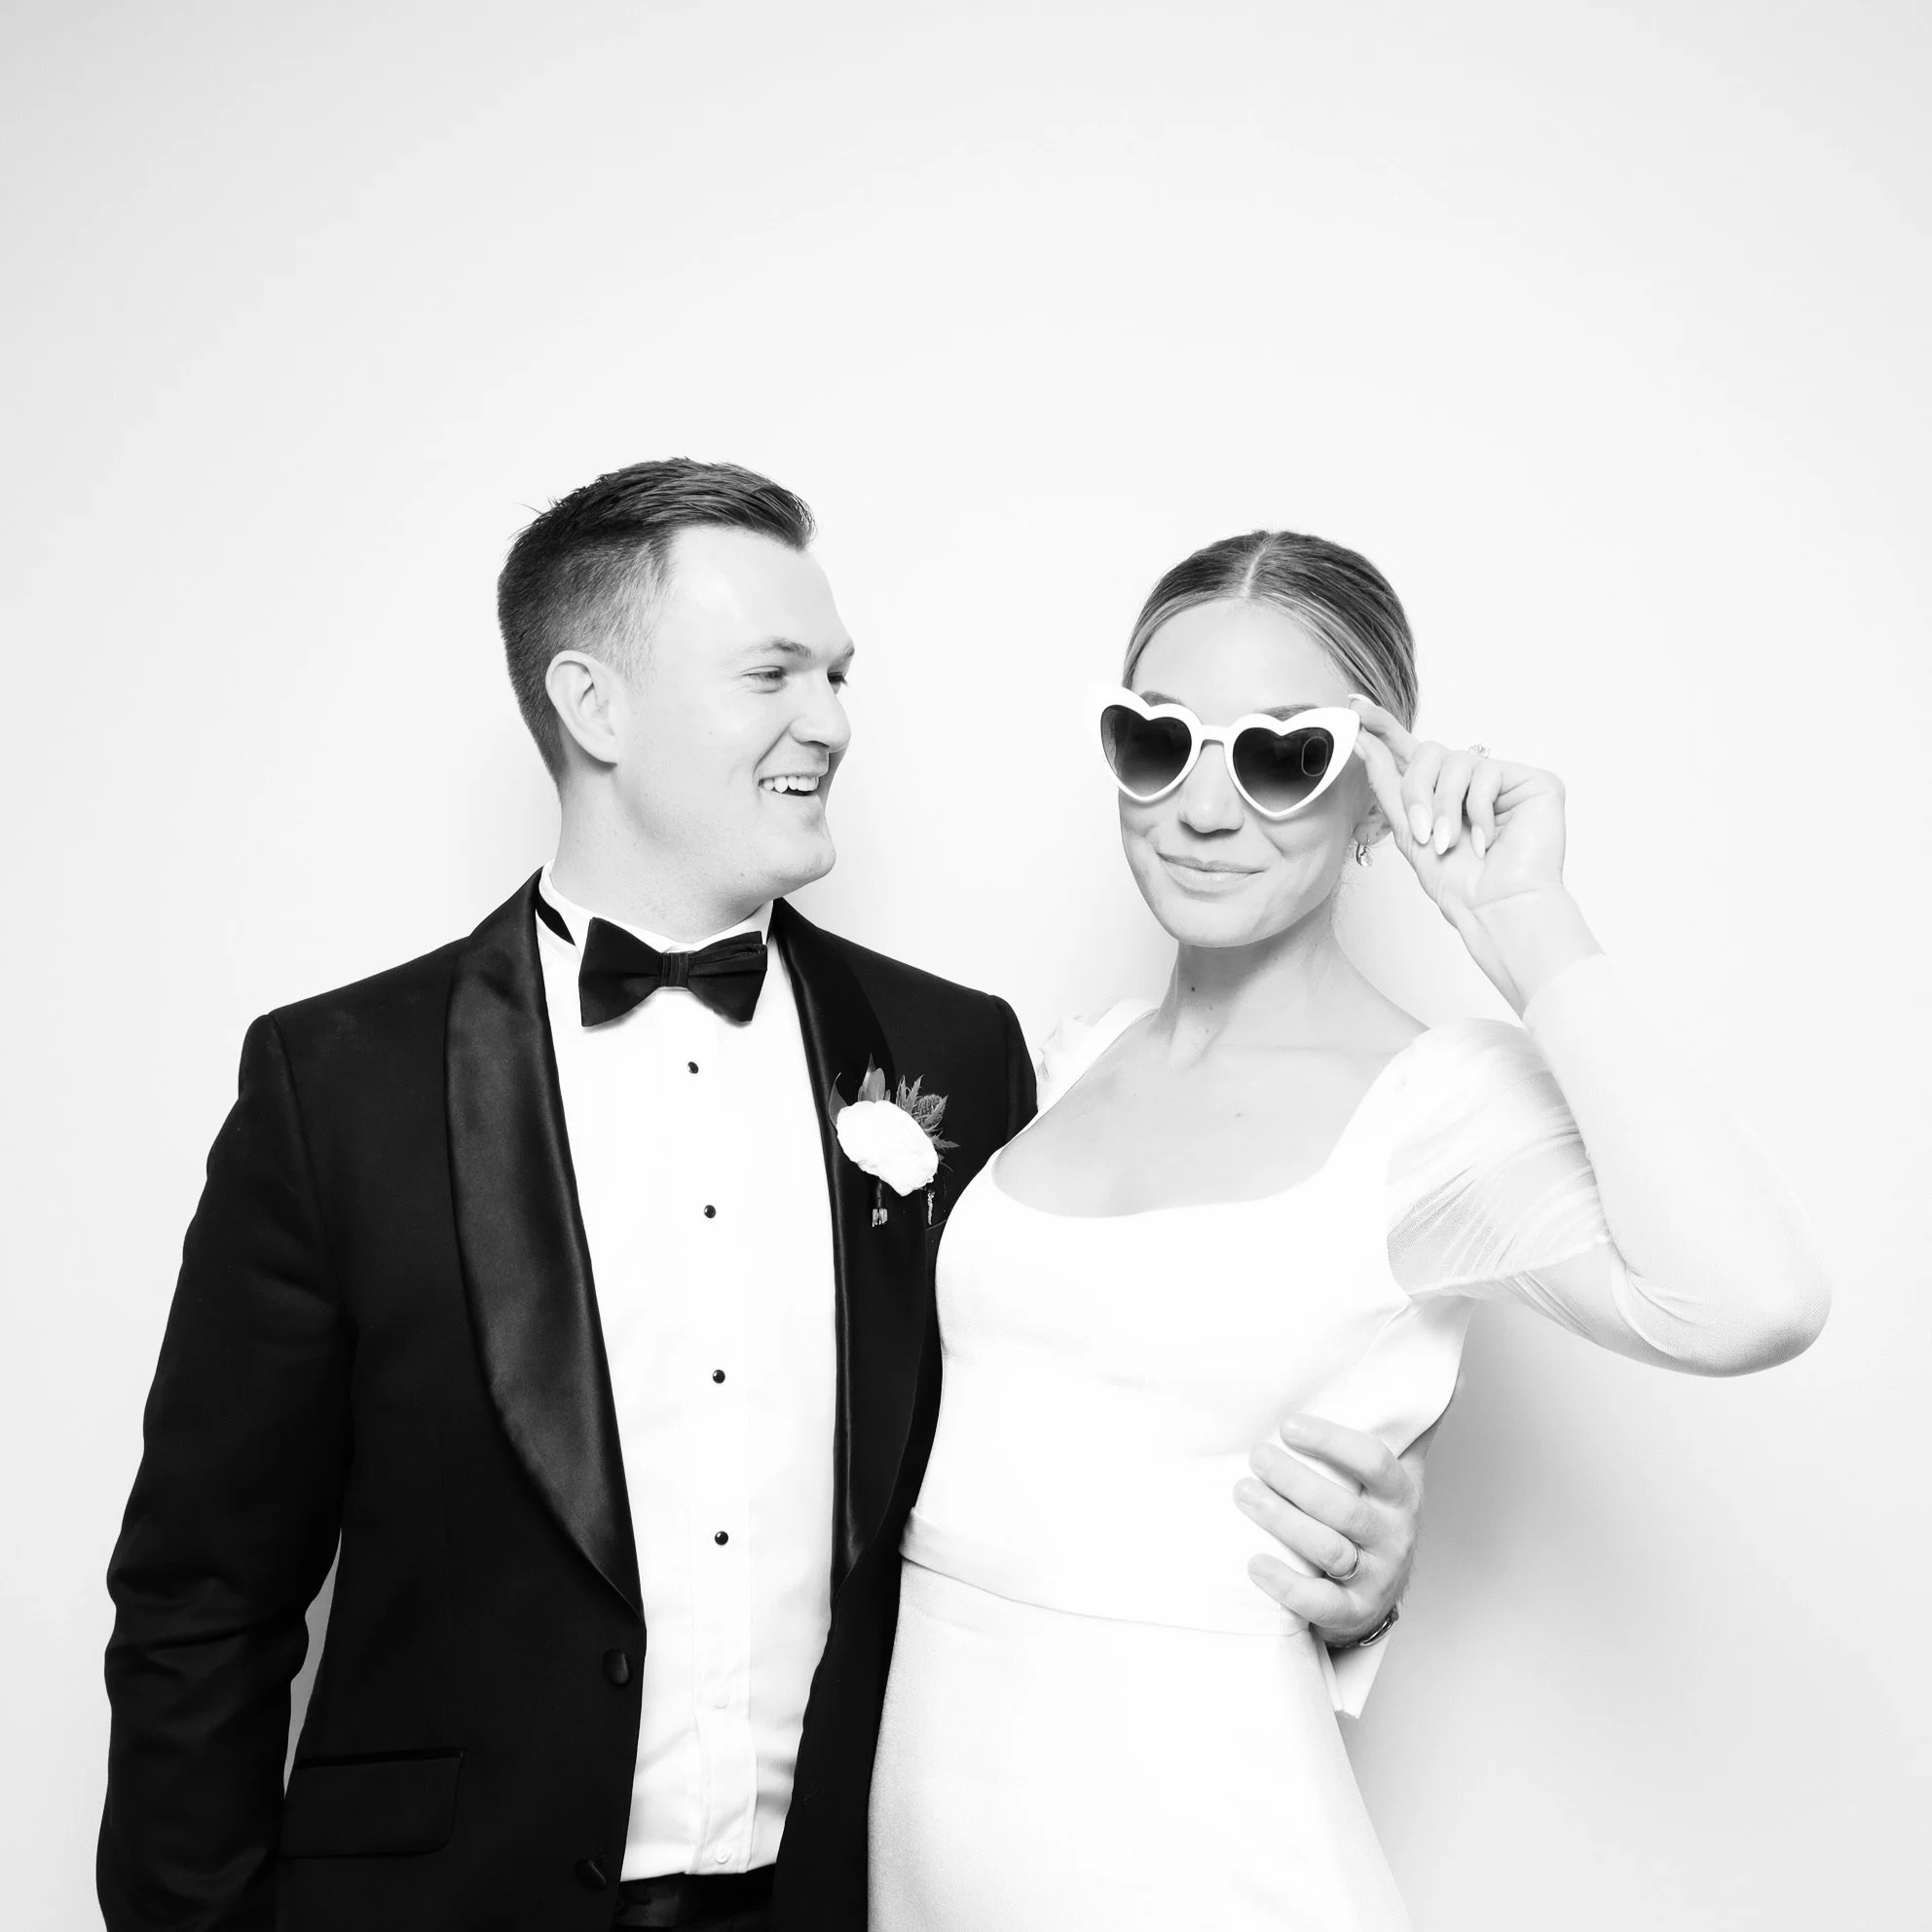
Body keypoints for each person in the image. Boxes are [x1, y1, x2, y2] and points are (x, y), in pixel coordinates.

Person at [97, 464, 1419, 1932]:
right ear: (594, 707)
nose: (834, 722)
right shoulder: (337, 1085)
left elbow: (1068, 1435)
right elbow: (201, 1601)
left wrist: (1352, 1582)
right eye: (773, 673)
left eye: (837, 675)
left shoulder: (957, 1058)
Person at [868, 529, 1832, 1930]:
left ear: (1375, 798)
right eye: (1157, 742)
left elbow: (1754, 1301)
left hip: (1209, 1855)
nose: (1204, 809)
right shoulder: (1067, 1065)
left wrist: (1527, 921)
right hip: (934, 1841)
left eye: (1280, 756)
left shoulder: (1431, 1112)